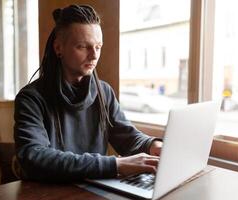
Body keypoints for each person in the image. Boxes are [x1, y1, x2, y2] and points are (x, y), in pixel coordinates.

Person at [14, 4, 162, 182]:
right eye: (83, 47)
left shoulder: (104, 92)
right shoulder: (30, 98)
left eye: (98, 47)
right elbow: (34, 157)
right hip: (48, 191)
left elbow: (127, 136)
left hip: (95, 189)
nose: (94, 56)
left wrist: (152, 145)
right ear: (58, 48)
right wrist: (116, 165)